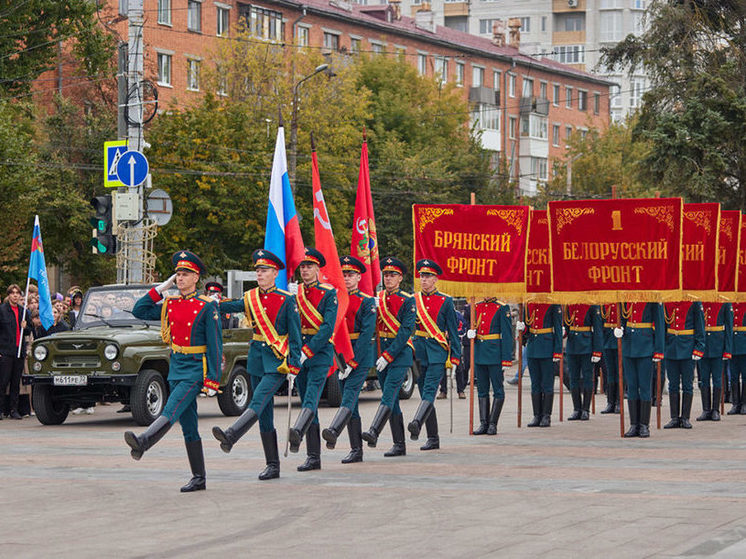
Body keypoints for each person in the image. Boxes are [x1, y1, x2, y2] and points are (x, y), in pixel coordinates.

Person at [125, 250, 222, 492]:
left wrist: (212, 380)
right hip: (177, 368)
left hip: (195, 370)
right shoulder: (171, 303)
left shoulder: (207, 306)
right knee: (189, 425)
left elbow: (215, 345)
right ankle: (199, 478)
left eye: (185, 274)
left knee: (171, 409)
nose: (180, 278)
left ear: (196, 277)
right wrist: (161, 287)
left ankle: (145, 441)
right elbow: (139, 310)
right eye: (177, 274)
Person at [211, 249, 301, 480]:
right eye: (258, 270)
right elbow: (232, 307)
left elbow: (296, 334)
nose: (259, 274)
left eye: (264, 271)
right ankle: (273, 465)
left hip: (276, 363)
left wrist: (293, 365)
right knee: (265, 414)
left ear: (274, 273)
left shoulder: (287, 299)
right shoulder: (251, 298)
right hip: (256, 362)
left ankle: (232, 435)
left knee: (257, 401)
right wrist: (212, 303)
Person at [286, 247, 338, 472]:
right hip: (299, 355)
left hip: (319, 354)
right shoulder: (294, 294)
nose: (305, 270)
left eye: (309, 266)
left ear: (318, 269)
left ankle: (297, 431)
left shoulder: (328, 293)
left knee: (311, 397)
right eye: (302, 267)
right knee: (311, 406)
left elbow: (327, 327)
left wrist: (308, 350)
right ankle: (313, 457)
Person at [321, 255, 376, 463]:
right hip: (340, 353)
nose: (346, 278)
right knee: (351, 403)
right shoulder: (336, 298)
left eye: (350, 274)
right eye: (343, 274)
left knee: (350, 396)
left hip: (360, 355)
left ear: (359, 277)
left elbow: (366, 334)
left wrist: (353, 362)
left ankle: (334, 430)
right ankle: (356, 449)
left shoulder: (366, 301)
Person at [362, 256, 415, 456]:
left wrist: (388, 355)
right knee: (392, 401)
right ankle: (399, 444)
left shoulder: (407, 300)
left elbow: (405, 331)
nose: (388, 278)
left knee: (388, 394)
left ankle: (374, 431)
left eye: (393, 275)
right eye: (386, 275)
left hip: (399, 355)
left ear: (400, 278)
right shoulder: (378, 298)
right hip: (381, 353)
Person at [407, 259, 460, 451]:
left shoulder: (446, 301)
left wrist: (455, 357)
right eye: (422, 276)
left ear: (436, 279)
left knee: (429, 391)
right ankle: (433, 438)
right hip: (420, 351)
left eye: (428, 276)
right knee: (424, 395)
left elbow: (453, 331)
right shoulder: (414, 300)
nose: (424, 280)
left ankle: (416, 423)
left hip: (437, 352)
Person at [467, 297, 514, 435]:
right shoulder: (476, 306)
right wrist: (471, 335)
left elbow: (506, 335)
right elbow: (474, 326)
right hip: (480, 353)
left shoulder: (502, 307)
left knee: (498, 389)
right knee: (482, 389)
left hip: (495, 354)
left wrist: (506, 359)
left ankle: (493, 423)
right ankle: (483, 423)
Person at [618, 302, 665, 438]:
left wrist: (659, 350)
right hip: (629, 346)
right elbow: (622, 318)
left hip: (645, 346)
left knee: (644, 387)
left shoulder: (652, 298)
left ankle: (644, 425)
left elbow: (660, 324)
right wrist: (620, 327)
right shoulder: (624, 298)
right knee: (631, 387)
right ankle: (634, 424)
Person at [518, 303, 562, 427]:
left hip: (547, 346)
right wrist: (523, 329)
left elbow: (558, 328)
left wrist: (557, 351)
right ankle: (536, 415)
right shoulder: (527, 304)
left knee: (547, 384)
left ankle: (546, 416)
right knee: (535, 383)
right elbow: (527, 326)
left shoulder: (552, 303)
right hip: (532, 347)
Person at [662, 301, 704, 429]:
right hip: (671, 348)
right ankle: (674, 418)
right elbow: (663, 327)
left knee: (687, 385)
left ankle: (685, 418)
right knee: (673, 385)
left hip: (688, 347)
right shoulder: (666, 302)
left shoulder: (694, 303)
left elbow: (700, 326)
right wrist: (661, 347)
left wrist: (699, 347)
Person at [564, 304, 603, 421]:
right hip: (572, 345)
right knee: (573, 377)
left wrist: (597, 350)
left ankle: (586, 409)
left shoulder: (591, 305)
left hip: (587, 345)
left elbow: (597, 329)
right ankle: (577, 409)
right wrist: (563, 331)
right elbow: (566, 325)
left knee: (587, 377)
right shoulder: (568, 305)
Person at [0, 284, 32, 419]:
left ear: (20, 296)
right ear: (8, 295)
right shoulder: (2, 310)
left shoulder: (23, 311)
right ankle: (1, 410)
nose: (15, 295)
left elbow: (30, 330)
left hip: (19, 351)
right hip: (6, 351)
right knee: (3, 381)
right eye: (12, 293)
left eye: (17, 293)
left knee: (15, 383)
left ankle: (14, 409)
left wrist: (25, 327)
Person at [697, 302, 733, 421]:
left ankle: (715, 410)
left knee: (717, 379)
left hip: (718, 345)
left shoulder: (724, 302)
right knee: (704, 379)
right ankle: (706, 409)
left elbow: (729, 327)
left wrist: (727, 349)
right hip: (703, 346)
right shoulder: (700, 301)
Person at [600, 304, 621, 414]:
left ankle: (618, 402)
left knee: (619, 372)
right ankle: (610, 402)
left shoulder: (621, 301)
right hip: (607, 337)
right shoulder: (604, 301)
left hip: (619, 338)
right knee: (610, 372)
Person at [730, 302, 746, 415]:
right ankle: (736, 404)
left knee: (745, 375)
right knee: (734, 375)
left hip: (744, 344)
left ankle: (745, 403)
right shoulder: (729, 303)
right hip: (732, 345)